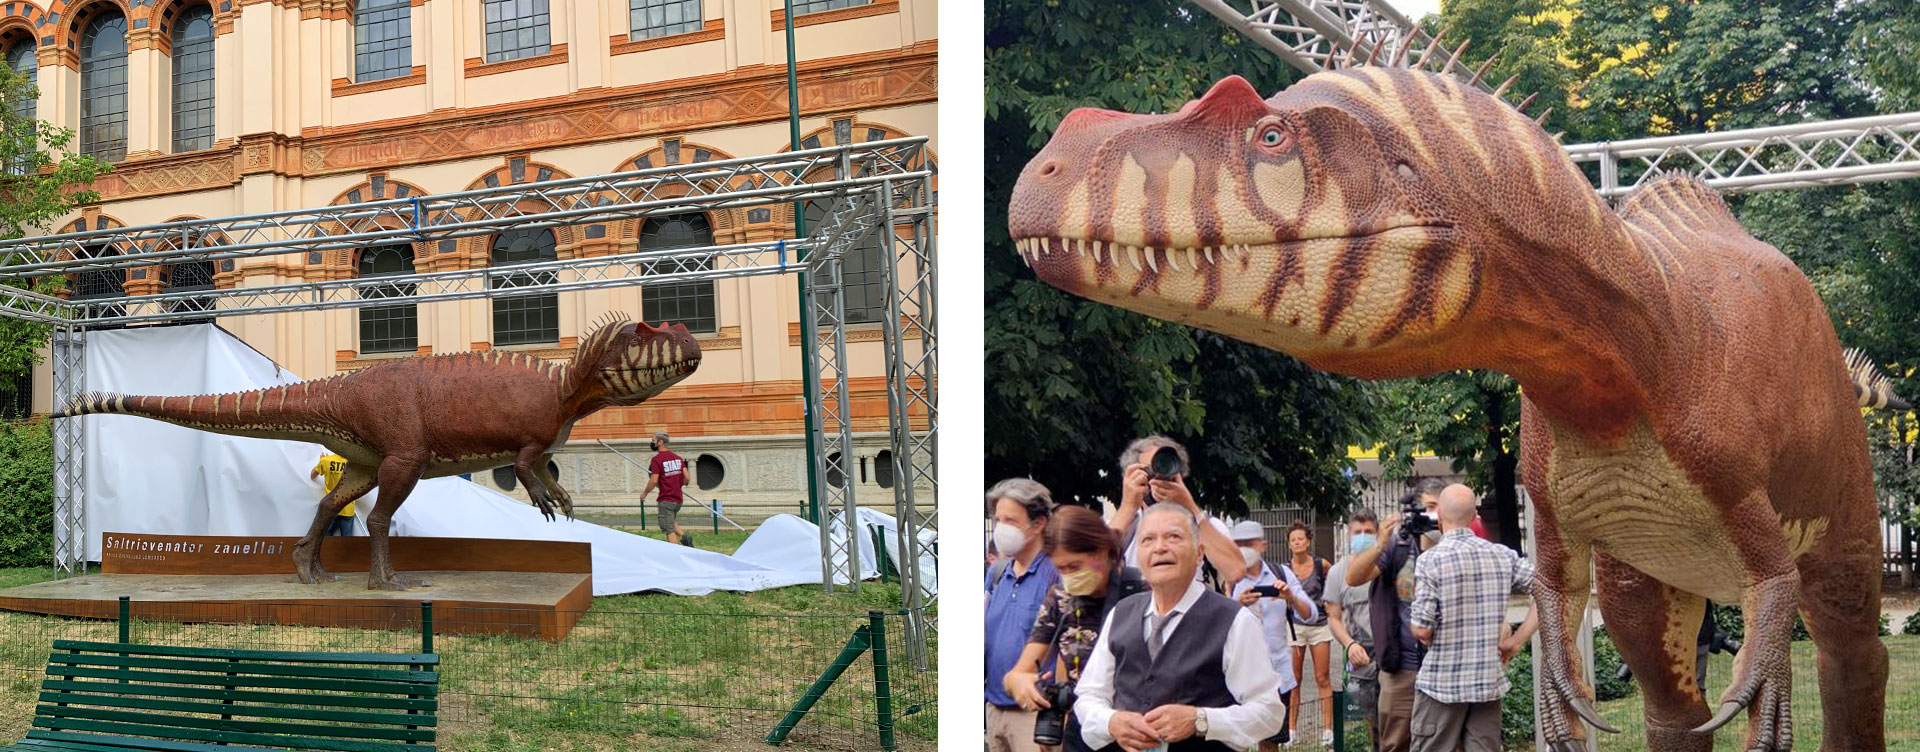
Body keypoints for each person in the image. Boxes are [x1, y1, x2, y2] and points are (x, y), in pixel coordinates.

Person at [1074, 503, 1285, 751]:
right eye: (1148, 539)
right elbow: (1088, 696)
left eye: (1173, 537)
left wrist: (1201, 720)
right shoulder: (1120, 614)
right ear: (1139, 556)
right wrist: (1110, 721)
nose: (1160, 547)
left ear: (1199, 553)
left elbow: (1269, 712)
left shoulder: (1233, 620)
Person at [1407, 485, 1539, 752]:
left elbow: (1421, 629)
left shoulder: (1430, 561)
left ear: (1440, 515)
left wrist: (1428, 631)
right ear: (1474, 516)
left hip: (1440, 684)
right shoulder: (1502, 555)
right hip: (1487, 683)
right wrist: (1516, 640)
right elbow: (1549, 589)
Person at [1004, 506, 1146, 752]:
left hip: (1135, 732)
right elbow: (1016, 674)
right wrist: (1021, 684)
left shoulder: (1142, 594)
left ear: (1102, 550)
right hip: (1082, 733)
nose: (1070, 577)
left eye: (1075, 566)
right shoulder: (1060, 597)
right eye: (1062, 569)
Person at [1342, 479, 1446, 752]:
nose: (1433, 514)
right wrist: (1379, 543)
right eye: (1429, 507)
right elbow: (1353, 578)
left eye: (1439, 507)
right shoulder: (1399, 546)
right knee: (1396, 742)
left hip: (1448, 668)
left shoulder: (1455, 547)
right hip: (1402, 668)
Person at [1108, 436, 1245, 592]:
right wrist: (1127, 507)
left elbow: (1235, 571)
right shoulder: (1124, 526)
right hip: (1134, 615)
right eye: (1149, 470)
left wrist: (1190, 509)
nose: (1158, 476)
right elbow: (1089, 566)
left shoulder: (1205, 526)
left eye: (1165, 468)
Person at [1227, 520, 1316, 752]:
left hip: (1277, 674)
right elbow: (1215, 623)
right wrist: (1237, 603)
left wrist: (1291, 598)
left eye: (1250, 543)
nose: (1244, 548)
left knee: (1270, 742)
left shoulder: (1281, 573)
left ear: (1263, 545)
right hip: (1240, 675)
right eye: (1239, 544)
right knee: (1238, 741)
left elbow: (1311, 614)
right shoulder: (1229, 579)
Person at [986, 478, 1061, 752]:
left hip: (1035, 716)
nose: (1000, 528)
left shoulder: (1058, 576)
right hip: (995, 710)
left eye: (1010, 520)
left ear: (1038, 523)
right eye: (997, 520)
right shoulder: (997, 575)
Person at [1322, 510, 1381, 750]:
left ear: (1378, 534)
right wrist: (1349, 644)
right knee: (1370, 721)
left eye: (1369, 532)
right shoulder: (1338, 572)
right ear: (1349, 535)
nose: (1363, 536)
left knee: (1396, 718)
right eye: (1358, 532)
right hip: (1359, 656)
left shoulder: (1389, 565)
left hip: (1393, 654)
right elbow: (1333, 618)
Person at [1282, 522, 1336, 747]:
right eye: (1293, 539)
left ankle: (1328, 729)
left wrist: (1330, 605)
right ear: (1289, 544)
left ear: (1308, 540)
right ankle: (1291, 730)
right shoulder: (1285, 569)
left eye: (1301, 538)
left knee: (1322, 677)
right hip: (1294, 626)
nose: (1297, 542)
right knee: (1294, 680)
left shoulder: (1320, 564)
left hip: (1319, 626)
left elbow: (1334, 583)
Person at [641, 432, 691, 546]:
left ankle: (675, 553)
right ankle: (684, 537)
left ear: (660, 442)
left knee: (669, 530)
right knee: (670, 521)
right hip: (678, 499)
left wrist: (645, 493)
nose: (651, 443)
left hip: (666, 499)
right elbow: (687, 477)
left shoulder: (656, 460)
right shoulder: (678, 458)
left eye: (653, 440)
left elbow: (654, 480)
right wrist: (678, 485)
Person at [309, 452, 355, 536]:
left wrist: (322, 462)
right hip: (347, 507)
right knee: (348, 542)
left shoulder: (326, 460)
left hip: (330, 506)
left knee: (326, 541)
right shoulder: (354, 464)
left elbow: (312, 475)